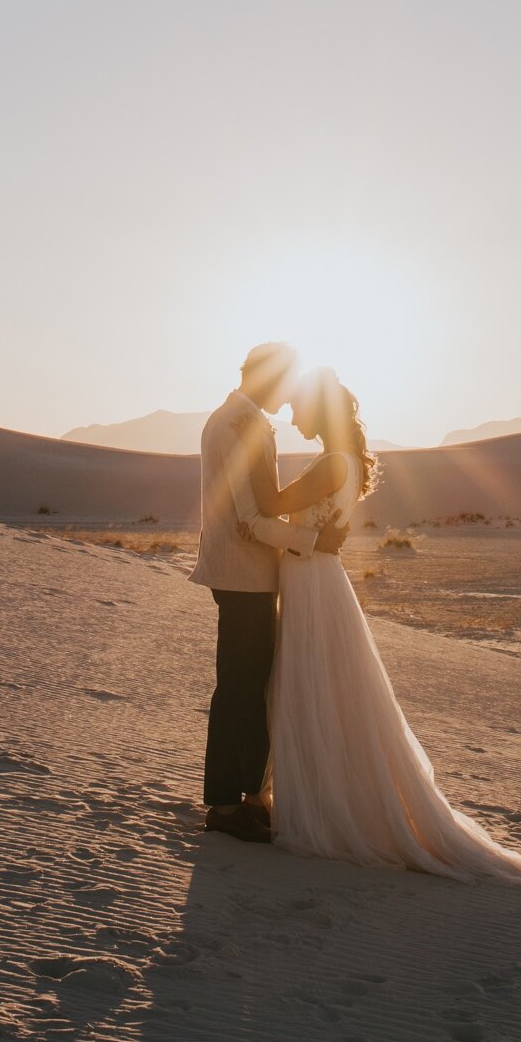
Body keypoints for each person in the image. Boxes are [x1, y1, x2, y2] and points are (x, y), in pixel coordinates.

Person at [266, 367, 521, 884]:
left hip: (313, 581)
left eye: (298, 407)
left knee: (315, 688)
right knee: (321, 689)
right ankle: (317, 796)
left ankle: (328, 810)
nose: (292, 416)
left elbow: (274, 505)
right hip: (316, 577)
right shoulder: (342, 461)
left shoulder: (332, 463)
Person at [190, 343, 349, 842]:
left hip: (258, 573)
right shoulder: (233, 425)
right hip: (241, 574)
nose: (291, 390)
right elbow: (251, 519)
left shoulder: (248, 421)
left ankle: (247, 796)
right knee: (237, 687)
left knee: (255, 686)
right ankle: (221, 803)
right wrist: (312, 541)